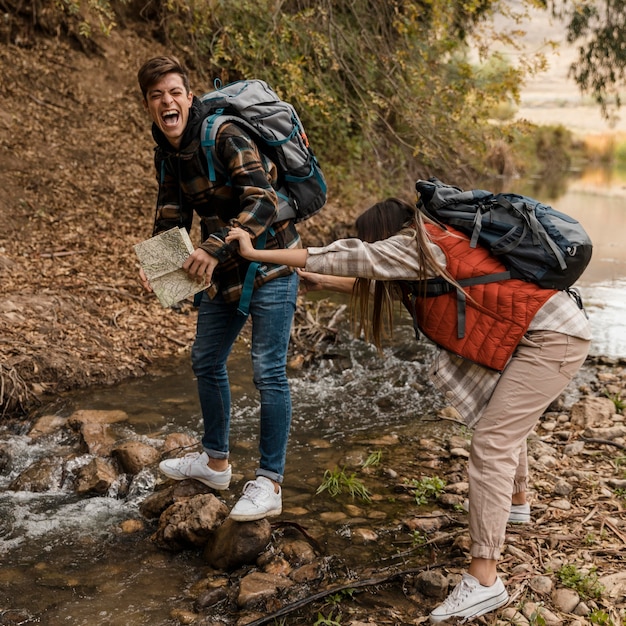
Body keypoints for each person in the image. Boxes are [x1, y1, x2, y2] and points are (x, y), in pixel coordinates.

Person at [225, 197, 591, 622]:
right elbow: (382, 280)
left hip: (552, 339)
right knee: (500, 413)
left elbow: (348, 256)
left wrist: (254, 251)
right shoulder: (432, 248)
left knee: (492, 441)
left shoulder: (415, 244)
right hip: (547, 330)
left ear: (382, 231)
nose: (369, 246)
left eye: (369, 238)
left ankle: (485, 581)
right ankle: (517, 503)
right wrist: (322, 282)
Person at [137, 55, 301, 522]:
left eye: (174, 92)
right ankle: (216, 463)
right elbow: (170, 213)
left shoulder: (225, 135)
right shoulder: (165, 150)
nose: (167, 102)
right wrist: (159, 265)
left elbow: (263, 198)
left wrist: (210, 246)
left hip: (270, 263)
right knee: (205, 360)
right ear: (149, 106)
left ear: (189, 97)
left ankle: (269, 482)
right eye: (156, 96)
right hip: (223, 271)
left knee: (268, 371)